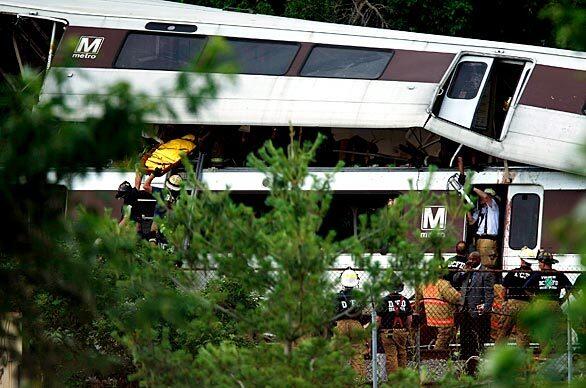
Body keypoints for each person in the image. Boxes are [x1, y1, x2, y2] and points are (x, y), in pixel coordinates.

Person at [523, 250, 572, 355]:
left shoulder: (537, 275)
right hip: (554, 303)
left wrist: (534, 299)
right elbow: (569, 288)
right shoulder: (559, 275)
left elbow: (526, 288)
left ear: (543, 262)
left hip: (540, 304)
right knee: (560, 329)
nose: (539, 264)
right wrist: (562, 299)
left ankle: (545, 353)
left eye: (540, 262)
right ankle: (561, 354)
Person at [453, 251, 495, 375]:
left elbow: (489, 292)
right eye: (469, 259)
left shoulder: (485, 273)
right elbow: (455, 280)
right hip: (464, 306)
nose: (470, 261)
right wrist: (464, 271)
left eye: (472, 259)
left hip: (476, 306)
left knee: (476, 332)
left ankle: (475, 354)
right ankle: (464, 353)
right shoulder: (466, 270)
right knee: (464, 330)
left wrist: (486, 306)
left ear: (478, 259)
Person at [496, 246, 535, 347]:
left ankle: (499, 355)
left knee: (503, 330)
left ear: (522, 260)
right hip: (527, 305)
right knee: (523, 333)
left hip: (511, 303)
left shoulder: (512, 273)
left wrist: (504, 301)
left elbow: (504, 289)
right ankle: (522, 358)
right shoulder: (534, 275)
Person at [334, 268, 365, 376]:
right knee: (357, 354)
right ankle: (358, 381)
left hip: (341, 323)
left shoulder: (337, 296)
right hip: (356, 324)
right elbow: (362, 311)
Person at [377, 281, 412, 375]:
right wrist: (407, 330)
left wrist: (376, 330)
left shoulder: (383, 301)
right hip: (402, 331)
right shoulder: (405, 300)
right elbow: (409, 320)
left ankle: (394, 379)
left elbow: (378, 320)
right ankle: (403, 378)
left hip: (388, 332)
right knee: (402, 354)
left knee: (391, 355)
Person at [420, 275, 460, 350]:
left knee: (441, 336)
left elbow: (419, 296)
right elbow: (455, 298)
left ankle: (441, 354)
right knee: (444, 336)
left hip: (431, 315)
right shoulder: (443, 284)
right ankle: (437, 355)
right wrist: (462, 295)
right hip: (443, 316)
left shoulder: (425, 283)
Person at [467, 187, 500, 267]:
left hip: (487, 240)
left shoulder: (493, 207)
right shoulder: (480, 210)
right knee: (477, 264)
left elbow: (486, 197)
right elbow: (471, 221)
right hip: (478, 240)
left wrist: (473, 188)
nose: (482, 197)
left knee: (486, 265)